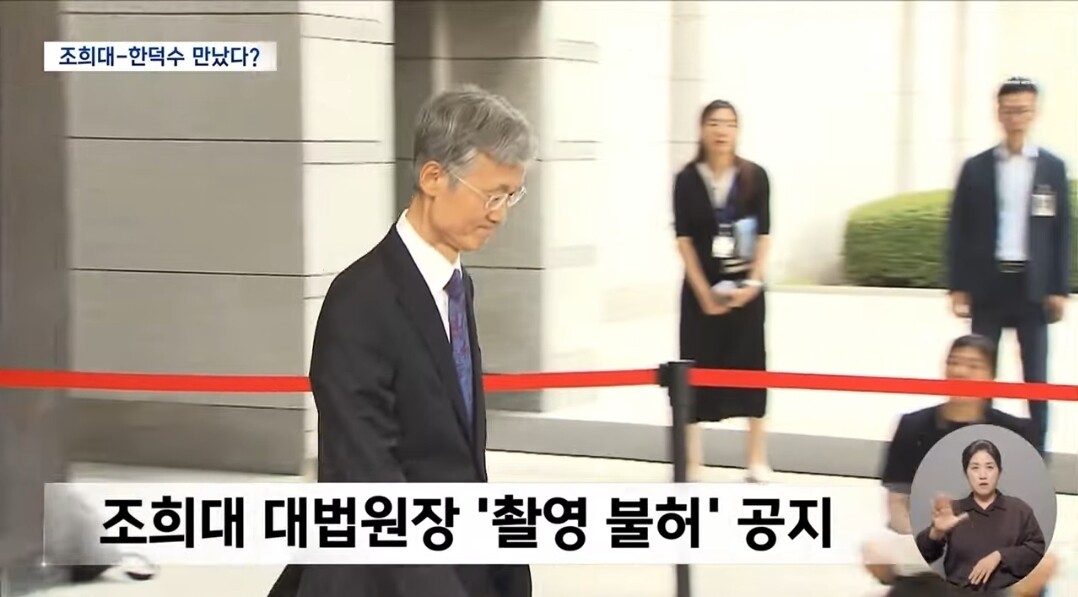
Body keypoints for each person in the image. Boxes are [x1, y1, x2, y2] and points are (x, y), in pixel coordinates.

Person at [266, 85, 537, 597]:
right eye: (491, 195)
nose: (500, 213)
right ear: (433, 177)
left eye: (511, 196)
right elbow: (368, 479)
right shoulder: (359, 301)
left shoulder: (458, 288)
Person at [945, 76, 1073, 455]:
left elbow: (1062, 231)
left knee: (1036, 376)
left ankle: (1038, 455)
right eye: (1010, 110)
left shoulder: (1051, 167)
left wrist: (1059, 288)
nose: (1016, 117)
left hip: (1033, 286)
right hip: (989, 284)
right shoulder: (977, 167)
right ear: (998, 113)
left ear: (1034, 113)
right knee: (981, 371)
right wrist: (958, 285)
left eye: (1023, 110)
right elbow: (958, 228)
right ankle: (978, 451)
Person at [861, 334, 1048, 590]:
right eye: (954, 363)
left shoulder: (1015, 431)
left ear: (991, 375)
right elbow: (897, 501)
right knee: (874, 551)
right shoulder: (912, 426)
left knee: (1044, 563)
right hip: (929, 539)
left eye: (973, 366)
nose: (961, 372)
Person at [672, 99, 773, 483]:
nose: (721, 131)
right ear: (702, 129)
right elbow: (683, 239)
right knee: (695, 369)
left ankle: (756, 459)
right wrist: (703, 293)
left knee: (752, 369)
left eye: (729, 124)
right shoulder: (686, 179)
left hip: (746, 290)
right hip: (701, 291)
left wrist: (753, 283)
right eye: (714, 123)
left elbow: (764, 234)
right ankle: (693, 460)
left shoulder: (754, 176)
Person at [914, 439, 1046, 592]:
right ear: (966, 473)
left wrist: (1000, 556)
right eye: (975, 468)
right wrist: (936, 532)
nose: (982, 475)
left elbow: (1037, 551)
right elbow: (924, 554)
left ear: (999, 471)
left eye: (989, 467)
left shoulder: (1019, 510)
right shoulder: (953, 510)